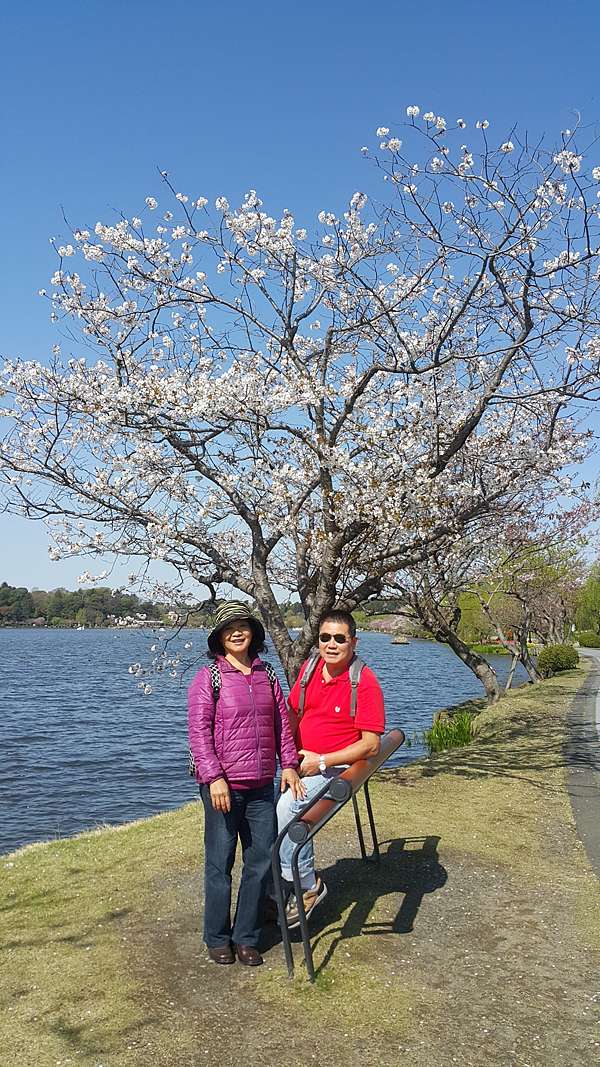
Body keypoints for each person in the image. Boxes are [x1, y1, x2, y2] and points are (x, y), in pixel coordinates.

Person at [188, 601, 303, 966]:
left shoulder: (266, 675)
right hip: (223, 787)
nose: (237, 632)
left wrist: (289, 765)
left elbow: (282, 725)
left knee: (260, 863)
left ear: (253, 632)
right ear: (219, 638)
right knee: (220, 864)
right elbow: (199, 733)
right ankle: (217, 936)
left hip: (260, 788)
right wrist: (215, 777)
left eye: (243, 626)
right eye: (229, 628)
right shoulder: (209, 678)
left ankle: (247, 937)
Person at [276, 609, 385, 927]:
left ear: (354, 642)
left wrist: (322, 760)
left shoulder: (364, 682)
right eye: (325, 638)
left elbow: (371, 744)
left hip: (334, 770)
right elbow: (293, 713)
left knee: (288, 809)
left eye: (340, 638)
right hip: (303, 763)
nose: (332, 644)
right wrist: (287, 758)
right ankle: (282, 885)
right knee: (267, 814)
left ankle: (306, 885)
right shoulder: (309, 669)